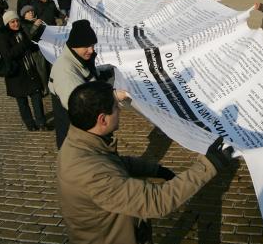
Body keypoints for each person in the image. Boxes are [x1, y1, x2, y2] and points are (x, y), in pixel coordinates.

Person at [57, 81, 234, 244]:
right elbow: (157, 201)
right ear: (102, 119)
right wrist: (210, 165)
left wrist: (157, 170)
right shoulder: (92, 173)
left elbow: (116, 163)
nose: (120, 110)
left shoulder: (79, 140)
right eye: (116, 108)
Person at [49, 19, 126, 149]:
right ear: (74, 45)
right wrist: (113, 96)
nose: (91, 50)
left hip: (87, 134)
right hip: (78, 141)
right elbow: (80, 105)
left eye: (92, 45)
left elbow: (90, 75)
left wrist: (109, 70)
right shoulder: (64, 70)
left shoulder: (78, 59)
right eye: (86, 46)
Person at [0, 11, 48, 131]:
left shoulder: (21, 31)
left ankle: (41, 122)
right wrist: (23, 44)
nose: (16, 24)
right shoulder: (2, 36)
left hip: (29, 70)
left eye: (17, 21)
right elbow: (7, 55)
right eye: (12, 22)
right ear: (7, 23)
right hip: (16, 74)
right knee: (22, 101)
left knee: (36, 96)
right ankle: (30, 124)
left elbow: (29, 45)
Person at [20, 5, 49, 97]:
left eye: (32, 11)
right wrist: (35, 26)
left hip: (44, 48)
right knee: (41, 70)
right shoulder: (23, 25)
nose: (31, 13)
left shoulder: (37, 21)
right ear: (24, 15)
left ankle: (47, 86)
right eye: (28, 12)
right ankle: (44, 88)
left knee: (46, 69)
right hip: (34, 51)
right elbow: (29, 36)